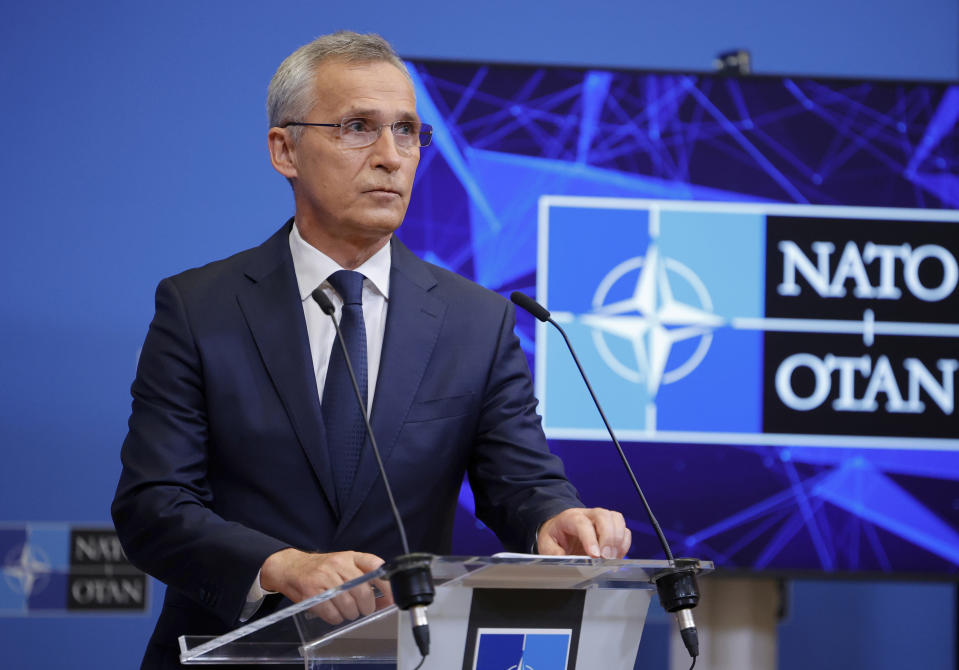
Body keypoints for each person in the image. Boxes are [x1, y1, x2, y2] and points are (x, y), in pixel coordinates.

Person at [112, 31, 631, 669]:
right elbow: (153, 505)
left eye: (408, 131)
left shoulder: (478, 320)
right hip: (230, 654)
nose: (391, 156)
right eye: (358, 127)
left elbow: (519, 482)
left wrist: (555, 518)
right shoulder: (199, 308)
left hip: (402, 655)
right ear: (285, 149)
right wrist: (279, 567)